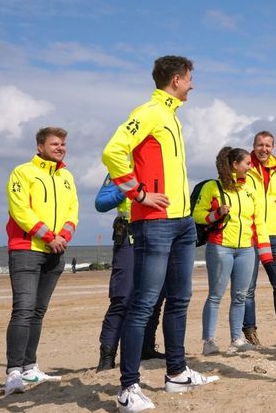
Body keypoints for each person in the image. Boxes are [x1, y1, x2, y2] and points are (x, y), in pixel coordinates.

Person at [101, 55, 217, 413]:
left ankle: (176, 372)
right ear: (177, 79)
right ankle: (128, 388)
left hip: (182, 222)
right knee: (144, 303)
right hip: (155, 220)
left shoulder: (171, 116)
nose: (193, 85)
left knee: (180, 299)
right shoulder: (150, 111)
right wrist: (138, 193)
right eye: (190, 79)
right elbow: (113, 150)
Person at [3, 127, 79, 395]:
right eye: (55, 143)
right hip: (27, 248)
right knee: (23, 309)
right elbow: (19, 209)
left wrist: (63, 236)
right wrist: (48, 236)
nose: (60, 147)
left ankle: (30, 367)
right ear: (40, 147)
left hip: (55, 250)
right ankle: (13, 372)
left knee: (38, 311)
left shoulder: (67, 176)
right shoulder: (23, 172)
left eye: (63, 144)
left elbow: (73, 210)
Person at [195, 146, 270, 355]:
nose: (250, 166)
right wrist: (216, 213)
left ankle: (236, 339)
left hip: (246, 249)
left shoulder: (249, 189)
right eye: (247, 163)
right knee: (216, 295)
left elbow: (259, 220)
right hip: (220, 246)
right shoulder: (212, 187)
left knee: (240, 295)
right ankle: (209, 341)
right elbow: (197, 214)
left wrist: (263, 249)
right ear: (235, 165)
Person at [94, 176, 165, 371]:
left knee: (154, 298)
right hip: (129, 236)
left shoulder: (164, 162)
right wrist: (128, 187)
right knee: (122, 298)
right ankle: (107, 357)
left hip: (158, 234)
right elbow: (101, 203)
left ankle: (146, 348)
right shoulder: (122, 169)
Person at [242, 130, 276, 347]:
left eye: (268, 145)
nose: (264, 149)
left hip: (273, 235)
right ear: (254, 146)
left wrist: (269, 224)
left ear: (273, 148)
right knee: (248, 287)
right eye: (260, 145)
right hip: (250, 236)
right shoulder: (245, 169)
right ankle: (249, 332)